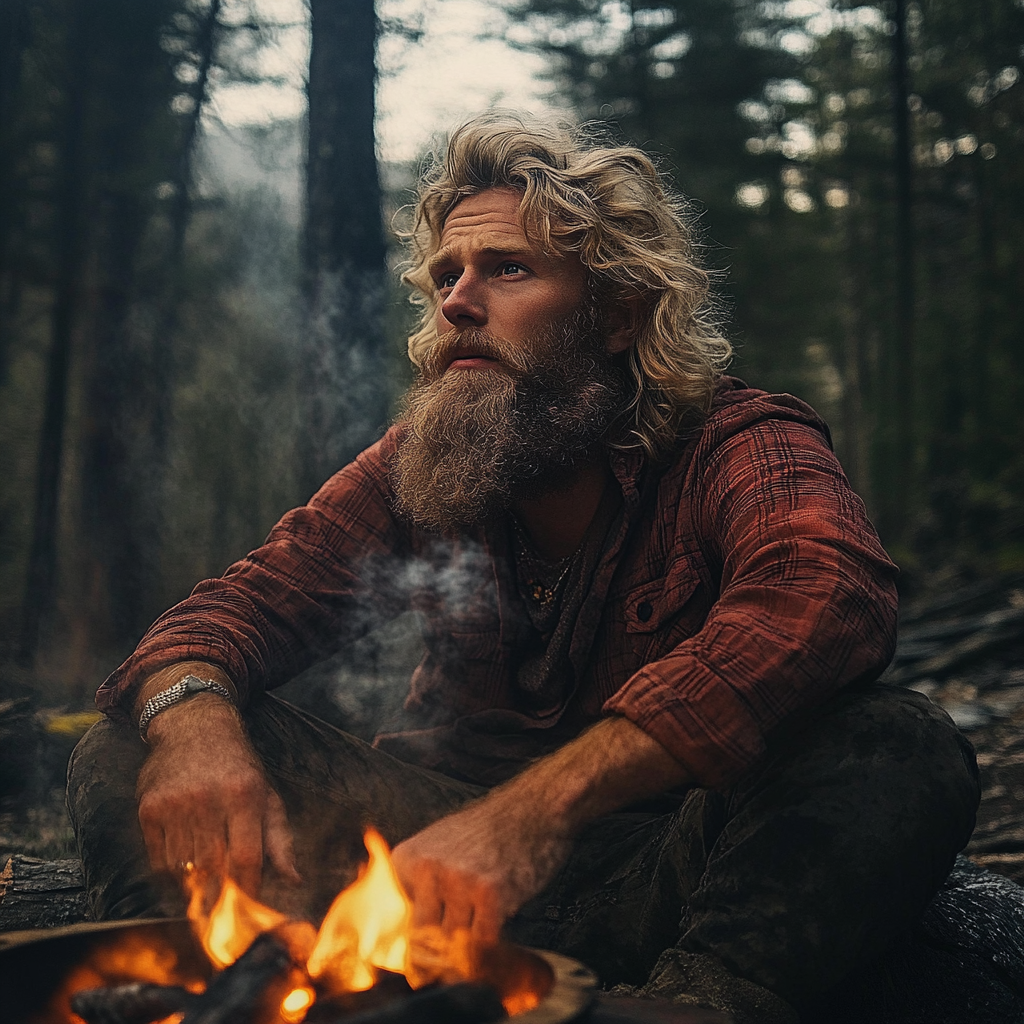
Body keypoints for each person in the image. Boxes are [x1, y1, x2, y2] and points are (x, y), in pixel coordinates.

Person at [69, 112, 979, 1023]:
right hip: (421, 873)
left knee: (895, 742)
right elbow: (234, 611)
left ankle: (691, 1006)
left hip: (664, 870)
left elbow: (822, 598)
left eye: (507, 268)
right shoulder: (419, 462)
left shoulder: (737, 443)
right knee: (127, 746)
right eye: (445, 277)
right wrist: (194, 728)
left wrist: (532, 816)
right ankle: (217, 995)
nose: (458, 300)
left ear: (618, 315)